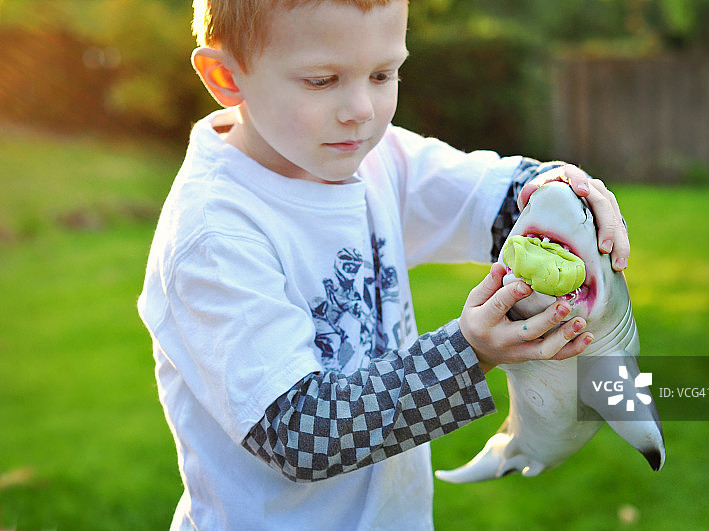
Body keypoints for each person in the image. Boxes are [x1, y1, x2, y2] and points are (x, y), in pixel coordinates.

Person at [137, 0, 630, 529]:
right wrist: (466, 354)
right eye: (322, 79)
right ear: (225, 75)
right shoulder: (214, 235)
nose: (362, 109)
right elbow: (298, 435)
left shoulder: (373, 156)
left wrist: (559, 192)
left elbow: (486, 199)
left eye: (382, 73)